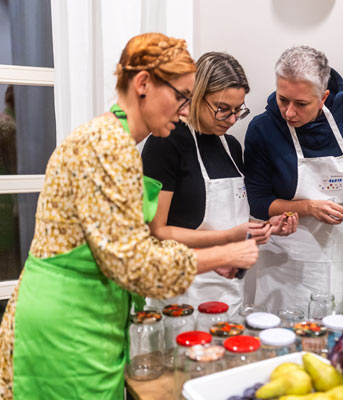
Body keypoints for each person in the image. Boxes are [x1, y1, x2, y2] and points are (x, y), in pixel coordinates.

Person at [0, 33, 258, 400]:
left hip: (91, 313)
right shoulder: (109, 147)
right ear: (143, 85)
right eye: (182, 97)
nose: (186, 110)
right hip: (68, 323)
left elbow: (130, 243)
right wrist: (225, 253)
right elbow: (135, 264)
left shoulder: (111, 137)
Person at [142, 52, 297, 317]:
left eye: (238, 110)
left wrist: (265, 228)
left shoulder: (231, 147)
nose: (232, 119)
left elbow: (231, 221)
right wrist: (228, 238)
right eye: (222, 108)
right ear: (196, 95)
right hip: (181, 294)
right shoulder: (165, 143)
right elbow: (157, 232)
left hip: (228, 294)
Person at [244, 45, 343, 313]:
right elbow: (258, 201)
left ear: (323, 97)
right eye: (283, 99)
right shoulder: (263, 129)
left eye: (301, 104)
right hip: (285, 265)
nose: (288, 112)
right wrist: (307, 208)